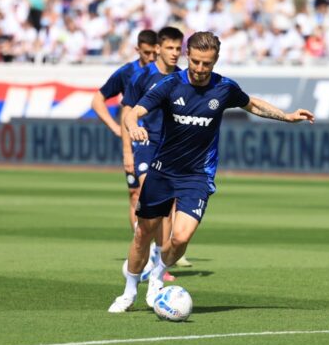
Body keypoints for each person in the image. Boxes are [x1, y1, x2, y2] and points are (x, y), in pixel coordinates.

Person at [108, 32, 315, 313]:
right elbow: (133, 112)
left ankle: (157, 275)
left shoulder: (224, 88)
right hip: (163, 171)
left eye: (206, 63)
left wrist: (287, 116)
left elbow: (252, 103)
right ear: (188, 56)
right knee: (143, 234)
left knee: (181, 238)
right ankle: (129, 291)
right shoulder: (170, 84)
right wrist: (133, 127)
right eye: (195, 61)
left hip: (197, 175)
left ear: (215, 60)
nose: (200, 68)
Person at [120, 26, 187, 275]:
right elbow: (127, 113)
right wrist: (128, 152)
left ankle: (159, 263)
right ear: (158, 48)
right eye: (170, 47)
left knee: (167, 207)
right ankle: (143, 252)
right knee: (151, 201)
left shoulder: (183, 78)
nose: (174, 53)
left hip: (171, 149)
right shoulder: (141, 76)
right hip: (147, 145)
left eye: (178, 48)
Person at [90, 29, 157, 229]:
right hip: (134, 142)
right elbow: (97, 100)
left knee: (157, 194)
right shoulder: (127, 72)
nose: (151, 57)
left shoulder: (167, 74)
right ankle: (141, 243)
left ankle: (163, 243)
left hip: (159, 139)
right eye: (146, 52)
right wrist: (116, 128)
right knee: (135, 194)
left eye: (154, 53)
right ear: (137, 50)